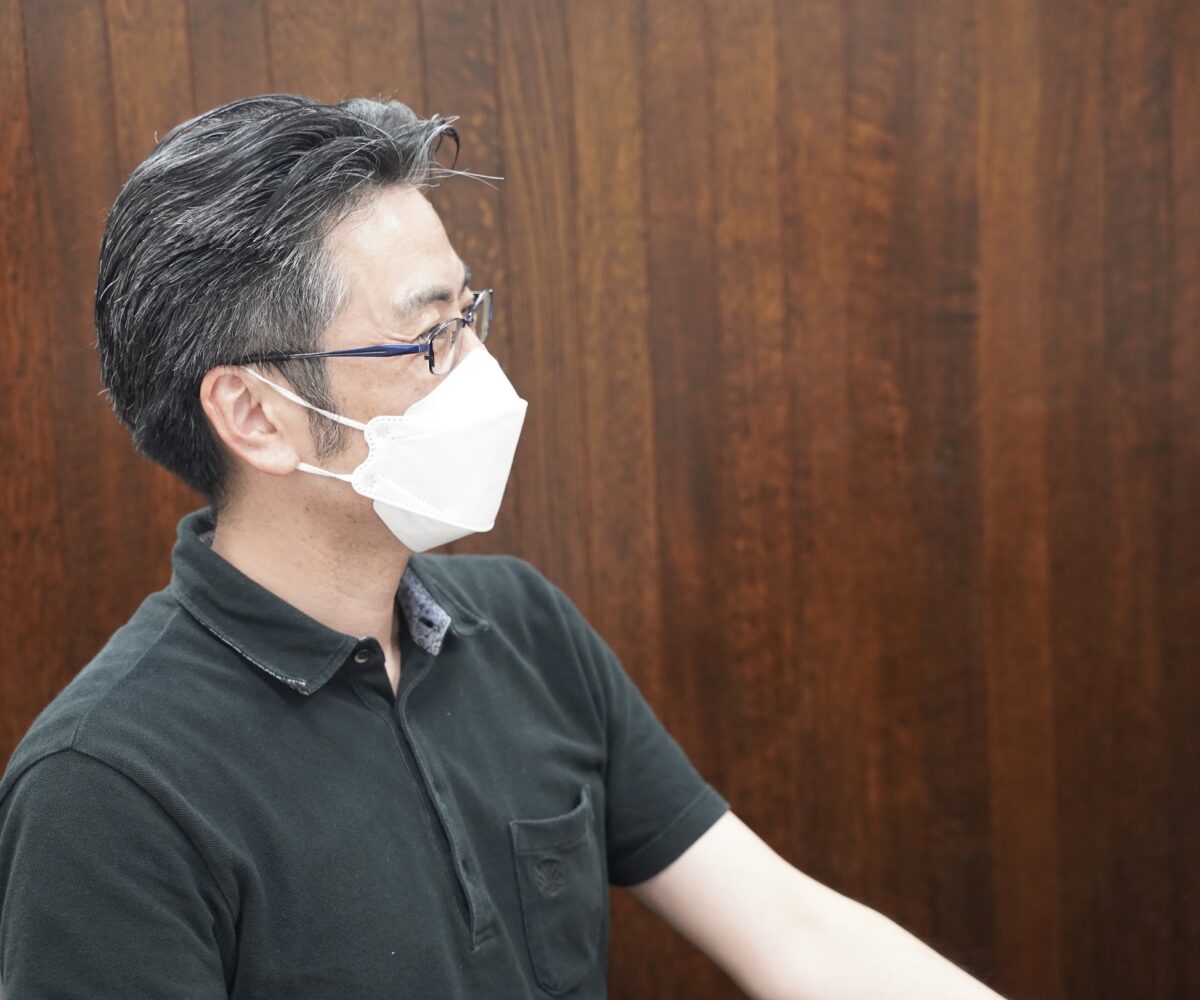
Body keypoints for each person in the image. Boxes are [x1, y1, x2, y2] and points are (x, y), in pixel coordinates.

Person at [0, 95, 1006, 999]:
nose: (481, 371)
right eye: (428, 338)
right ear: (256, 415)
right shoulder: (105, 789)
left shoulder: (524, 628)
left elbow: (795, 932)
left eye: (468, 312)